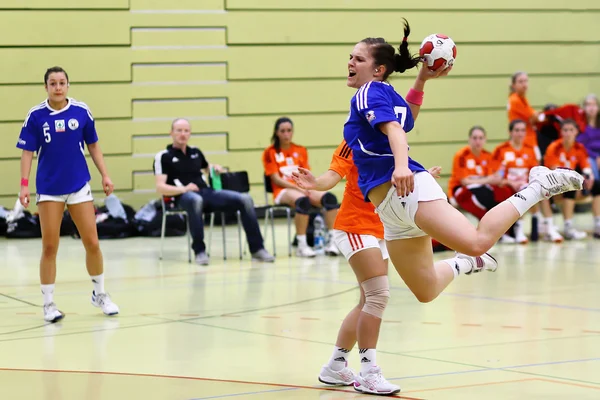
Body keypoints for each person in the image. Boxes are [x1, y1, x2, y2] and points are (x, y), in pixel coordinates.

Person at [338, 20, 583, 393]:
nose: (349, 62)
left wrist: (402, 166)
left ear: (377, 68)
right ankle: (461, 265)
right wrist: (421, 81)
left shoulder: (369, 91)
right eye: (350, 57)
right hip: (390, 208)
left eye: (357, 58)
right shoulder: (383, 92)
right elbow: (409, 118)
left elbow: (396, 132)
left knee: (477, 239)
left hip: (407, 190)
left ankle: (539, 185)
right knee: (425, 289)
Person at [292, 139, 441, 395]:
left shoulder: (394, 138)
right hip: (353, 226)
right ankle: (368, 372)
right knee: (378, 295)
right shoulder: (353, 141)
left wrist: (423, 177)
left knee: (366, 301)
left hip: (380, 228)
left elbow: (396, 178)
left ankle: (336, 366)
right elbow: (332, 175)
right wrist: (315, 183)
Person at [16, 66, 120, 323]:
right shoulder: (36, 116)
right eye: (53, 83)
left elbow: (93, 145)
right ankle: (48, 304)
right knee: (50, 246)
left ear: (68, 85)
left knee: (92, 243)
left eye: (62, 82)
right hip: (50, 189)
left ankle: (100, 294)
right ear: (46, 87)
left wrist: (105, 175)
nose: (58, 87)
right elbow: (27, 152)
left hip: (79, 187)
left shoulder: (81, 111)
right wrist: (24, 185)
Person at [154, 118, 275, 265]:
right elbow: (160, 187)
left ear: (190, 133)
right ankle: (200, 251)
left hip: (206, 193)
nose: (183, 134)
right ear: (171, 133)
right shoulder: (163, 156)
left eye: (186, 131)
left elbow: (205, 167)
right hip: (182, 197)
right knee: (195, 200)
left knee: (245, 199)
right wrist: (184, 189)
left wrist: (214, 167)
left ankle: (257, 249)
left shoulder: (195, 152)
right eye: (179, 130)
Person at [262, 117, 340, 257]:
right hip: (282, 191)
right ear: (277, 133)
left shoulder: (300, 150)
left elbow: (305, 173)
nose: (286, 134)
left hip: (302, 188)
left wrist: (309, 187)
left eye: (289, 130)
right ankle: (302, 245)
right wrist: (298, 188)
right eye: (283, 131)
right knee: (303, 201)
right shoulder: (270, 152)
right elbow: (276, 179)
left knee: (330, 198)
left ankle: (332, 241)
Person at [542, 119, 596, 240]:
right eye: (565, 130)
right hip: (552, 184)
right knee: (570, 186)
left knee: (596, 185)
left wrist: (589, 177)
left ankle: (598, 224)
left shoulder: (579, 148)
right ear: (561, 132)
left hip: (569, 184)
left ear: (576, 132)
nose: (568, 133)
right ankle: (567, 227)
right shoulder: (554, 147)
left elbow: (586, 167)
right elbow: (553, 169)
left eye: (571, 130)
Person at [490, 119, 542, 244]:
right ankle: (519, 230)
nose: (520, 133)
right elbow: (496, 174)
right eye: (517, 130)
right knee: (525, 193)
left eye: (523, 130)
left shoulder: (530, 150)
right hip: (507, 185)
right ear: (510, 132)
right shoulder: (501, 150)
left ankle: (538, 224)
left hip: (526, 185)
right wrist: (510, 182)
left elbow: (535, 173)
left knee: (539, 190)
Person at [447, 125, 513, 221]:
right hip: (460, 189)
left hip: (480, 188)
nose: (478, 141)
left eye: (480, 138)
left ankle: (509, 228)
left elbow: (495, 177)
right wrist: (488, 180)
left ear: (485, 140)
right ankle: (489, 226)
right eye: (475, 138)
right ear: (469, 139)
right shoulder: (461, 156)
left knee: (503, 193)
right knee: (483, 197)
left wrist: (497, 177)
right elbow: (464, 181)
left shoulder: (488, 156)